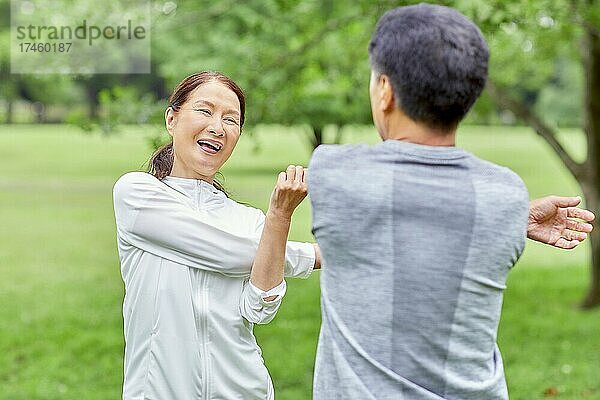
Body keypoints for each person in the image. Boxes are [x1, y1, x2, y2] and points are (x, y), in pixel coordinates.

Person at [307, 4, 594, 400]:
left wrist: (511, 217)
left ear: (385, 91)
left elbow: (396, 197)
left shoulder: (334, 172)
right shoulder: (505, 194)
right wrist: (512, 217)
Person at [112, 71, 321, 400]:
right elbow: (228, 252)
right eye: (204, 110)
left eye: (231, 119)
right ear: (172, 118)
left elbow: (259, 310)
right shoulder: (137, 195)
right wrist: (314, 255)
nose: (217, 127)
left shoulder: (248, 220)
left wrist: (280, 216)